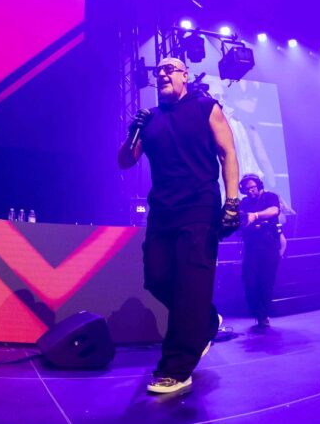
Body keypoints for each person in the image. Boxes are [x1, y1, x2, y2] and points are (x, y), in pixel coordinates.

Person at [118, 57, 240, 394]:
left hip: (199, 206)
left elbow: (228, 152)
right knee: (156, 278)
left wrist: (232, 201)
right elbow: (125, 161)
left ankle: (176, 368)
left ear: (185, 76)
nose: (162, 73)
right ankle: (205, 319)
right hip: (162, 211)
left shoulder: (205, 107)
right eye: (159, 71)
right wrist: (133, 132)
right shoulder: (150, 119)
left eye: (170, 69)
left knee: (191, 283)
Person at [239, 174, 283, 328]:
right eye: (246, 189)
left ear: (259, 185)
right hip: (251, 247)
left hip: (269, 246)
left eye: (252, 187)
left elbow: (274, 211)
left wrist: (256, 215)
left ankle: (263, 315)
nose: (250, 191)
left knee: (266, 281)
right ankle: (256, 312)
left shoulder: (270, 197)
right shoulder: (244, 203)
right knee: (250, 280)